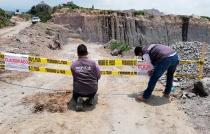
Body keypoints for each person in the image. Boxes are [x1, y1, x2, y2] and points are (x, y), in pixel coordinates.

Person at [71, 44, 101, 111]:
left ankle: (78, 98)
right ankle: (91, 98)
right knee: (96, 78)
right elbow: (98, 76)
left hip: (78, 91)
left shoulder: (73, 64)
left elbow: (74, 76)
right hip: (92, 91)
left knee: (75, 88)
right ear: (87, 53)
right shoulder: (94, 63)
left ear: (77, 54)